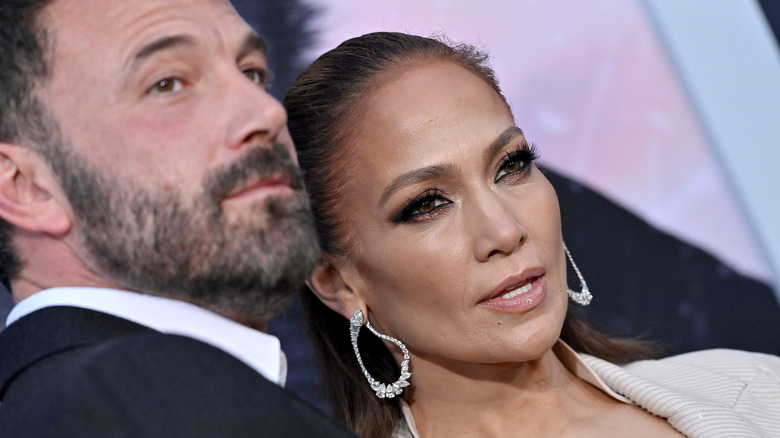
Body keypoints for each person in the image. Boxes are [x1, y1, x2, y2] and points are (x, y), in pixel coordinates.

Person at [284, 31, 780, 438]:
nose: (505, 230)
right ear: (336, 281)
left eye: (511, 165)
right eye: (427, 205)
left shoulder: (758, 391)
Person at [0, 0, 356, 436]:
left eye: (252, 73)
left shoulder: (50, 404)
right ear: (26, 188)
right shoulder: (149, 408)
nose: (267, 112)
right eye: (167, 83)